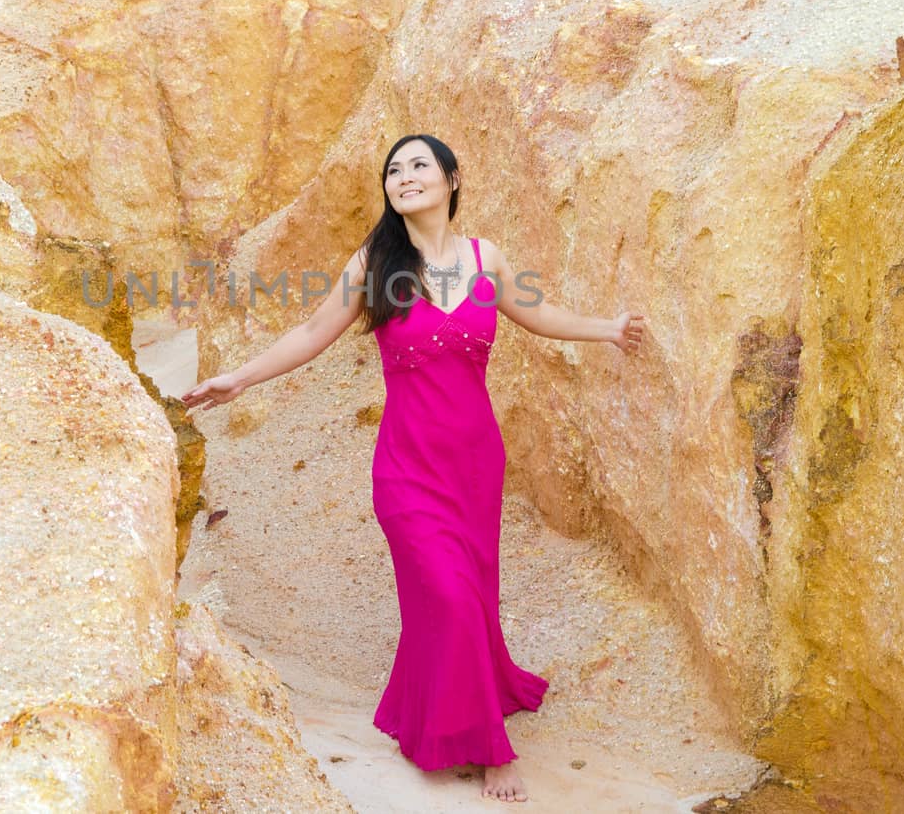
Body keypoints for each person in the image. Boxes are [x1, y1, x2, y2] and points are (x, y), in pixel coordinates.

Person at [181, 134, 647, 803]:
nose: (404, 177)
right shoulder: (376, 262)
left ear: (452, 179)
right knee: (449, 593)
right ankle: (489, 747)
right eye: (394, 171)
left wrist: (605, 328)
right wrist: (240, 378)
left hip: (476, 462)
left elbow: (536, 314)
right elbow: (313, 333)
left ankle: (470, 695)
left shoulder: (487, 258)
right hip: (407, 468)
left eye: (418, 166)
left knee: (472, 591)